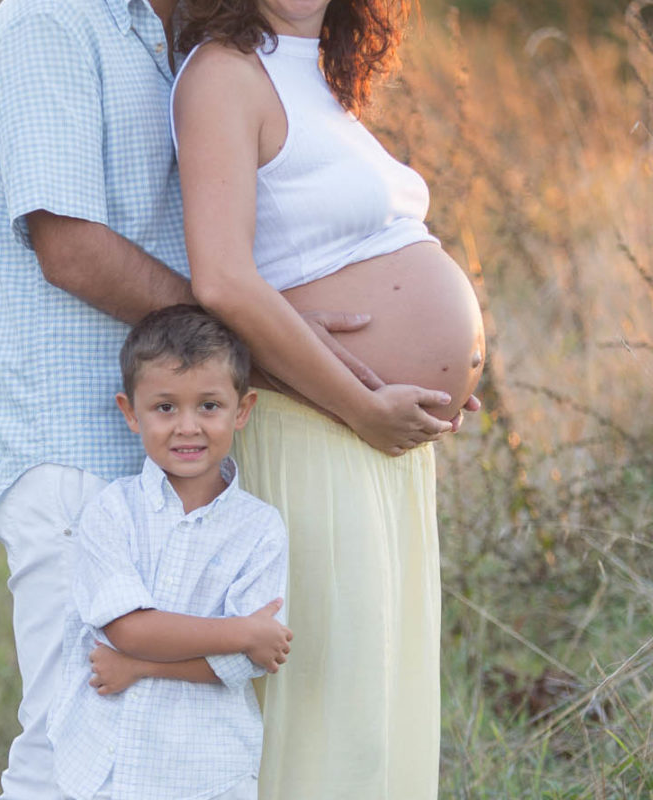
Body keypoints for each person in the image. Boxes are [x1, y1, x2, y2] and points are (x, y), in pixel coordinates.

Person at [0, 1, 424, 798]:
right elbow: (70, 249)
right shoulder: (46, 25)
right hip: (77, 446)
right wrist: (261, 350)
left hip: (169, 457)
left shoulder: (167, 29)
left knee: (170, 748)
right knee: (70, 746)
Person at [171, 1, 487, 797]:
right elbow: (221, 277)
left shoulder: (322, 76)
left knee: (380, 711)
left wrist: (442, 374)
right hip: (315, 432)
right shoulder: (223, 74)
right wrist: (359, 398)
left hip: (375, 441)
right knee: (326, 720)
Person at [49, 304, 290, 800]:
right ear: (130, 413)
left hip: (208, 768)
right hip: (111, 763)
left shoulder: (260, 529)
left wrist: (140, 667)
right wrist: (240, 631)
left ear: (241, 410)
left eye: (208, 406)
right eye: (165, 407)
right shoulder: (111, 512)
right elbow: (128, 629)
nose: (187, 426)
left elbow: (248, 662)